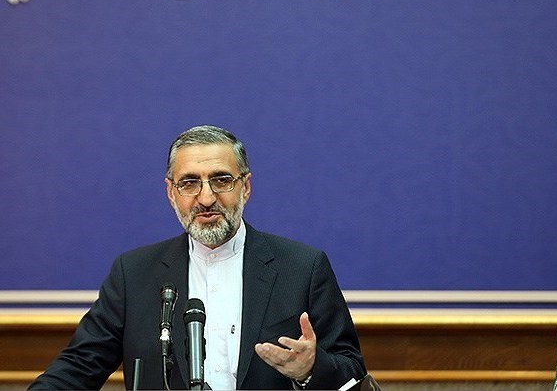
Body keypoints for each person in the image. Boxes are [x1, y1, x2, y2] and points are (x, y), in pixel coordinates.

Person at [29, 125, 366, 390]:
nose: (206, 198)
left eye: (221, 180)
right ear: (171, 192)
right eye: (189, 183)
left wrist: (311, 368)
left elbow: (351, 370)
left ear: (245, 187)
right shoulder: (133, 274)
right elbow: (79, 367)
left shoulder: (302, 267)